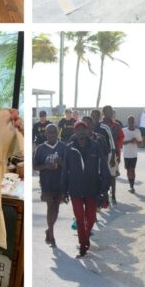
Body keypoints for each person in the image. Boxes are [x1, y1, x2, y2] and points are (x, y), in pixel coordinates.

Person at [60, 120, 110, 258]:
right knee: (79, 218)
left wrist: (105, 187)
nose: (81, 132)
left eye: (83, 129)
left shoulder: (95, 146)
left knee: (91, 217)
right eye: (78, 130)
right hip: (75, 189)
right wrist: (64, 191)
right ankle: (83, 246)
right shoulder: (69, 148)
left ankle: (85, 238)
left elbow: (103, 167)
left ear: (87, 131)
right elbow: (65, 170)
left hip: (91, 188)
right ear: (75, 132)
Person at [33, 124, 66, 247]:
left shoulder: (63, 147)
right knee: (50, 207)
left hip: (60, 183)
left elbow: (68, 165)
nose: (52, 134)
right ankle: (52, 235)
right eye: (50, 132)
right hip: (46, 183)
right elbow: (35, 166)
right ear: (45, 134)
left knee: (56, 209)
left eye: (54, 132)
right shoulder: (40, 148)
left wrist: (60, 162)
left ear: (58, 133)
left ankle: (49, 229)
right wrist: (47, 166)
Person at [102, 106, 124, 205]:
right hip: (101, 154)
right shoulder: (99, 125)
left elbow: (120, 138)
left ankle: (113, 195)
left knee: (112, 175)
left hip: (113, 153)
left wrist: (117, 152)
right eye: (108, 111)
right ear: (104, 112)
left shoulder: (116, 126)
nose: (111, 113)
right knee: (102, 176)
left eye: (111, 111)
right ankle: (104, 195)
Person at [122, 116, 142, 194]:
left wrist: (136, 141)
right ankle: (130, 184)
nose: (131, 123)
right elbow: (121, 143)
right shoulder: (123, 131)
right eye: (130, 121)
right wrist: (130, 141)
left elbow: (140, 144)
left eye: (132, 122)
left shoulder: (137, 131)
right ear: (128, 122)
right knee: (128, 170)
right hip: (126, 155)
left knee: (132, 170)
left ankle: (132, 186)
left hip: (134, 155)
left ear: (134, 122)